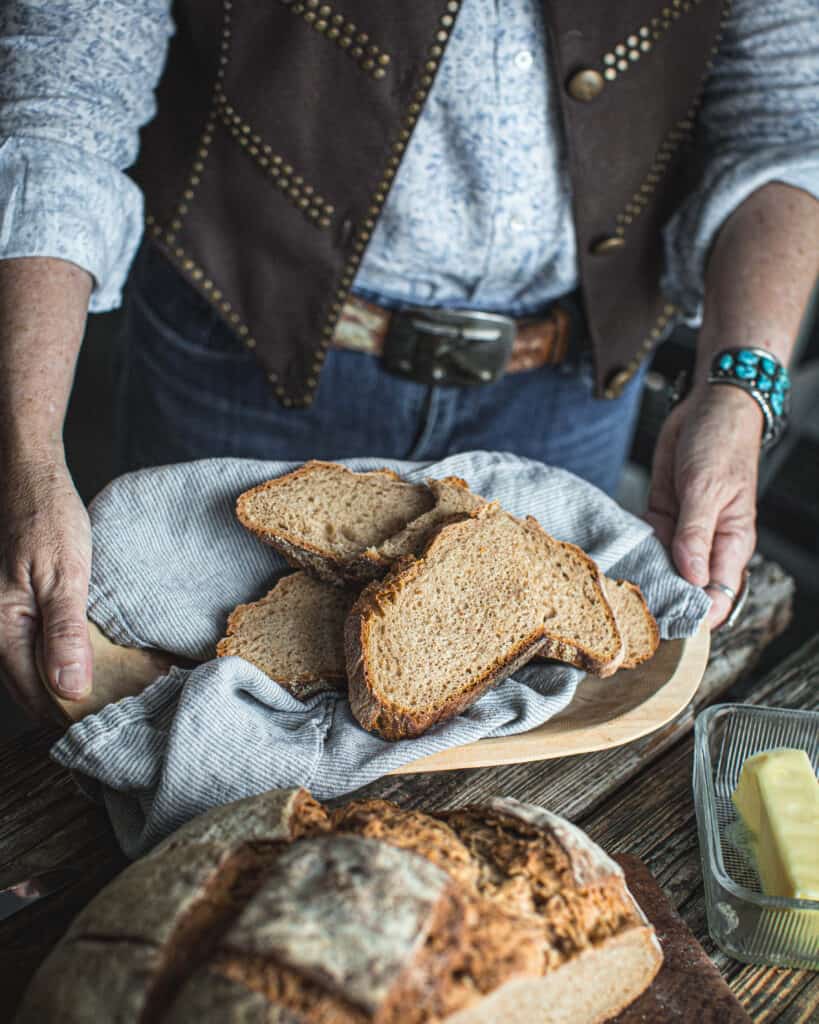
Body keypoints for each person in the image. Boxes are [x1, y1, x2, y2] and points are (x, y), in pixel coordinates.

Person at [0, 0, 817, 719]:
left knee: (514, 744)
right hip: (240, 351)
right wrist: (26, 452)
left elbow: (786, 125)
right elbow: (57, 109)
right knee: (150, 695)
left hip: (570, 387)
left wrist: (740, 388)